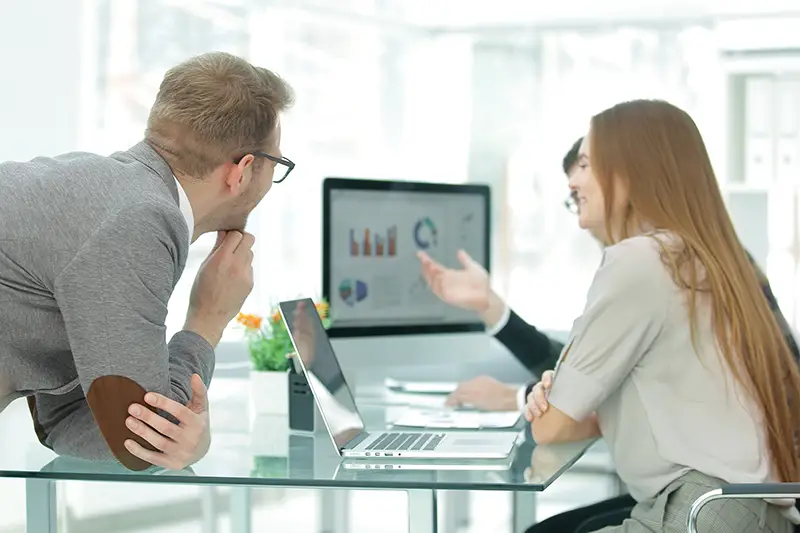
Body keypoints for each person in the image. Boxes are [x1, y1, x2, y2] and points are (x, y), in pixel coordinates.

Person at [418, 134, 800, 532]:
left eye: (585, 171)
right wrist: (493, 311)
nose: (576, 195)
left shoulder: (649, 263)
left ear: (627, 178)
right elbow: (614, 371)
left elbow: (590, 382)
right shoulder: (705, 258)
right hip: (748, 494)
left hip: (719, 499)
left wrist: (525, 397)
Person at [0, 51, 294, 471]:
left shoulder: (104, 195)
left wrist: (173, 437)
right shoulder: (140, 221)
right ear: (243, 170)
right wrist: (206, 321)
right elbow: (143, 439)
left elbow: (65, 422)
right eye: (276, 163)